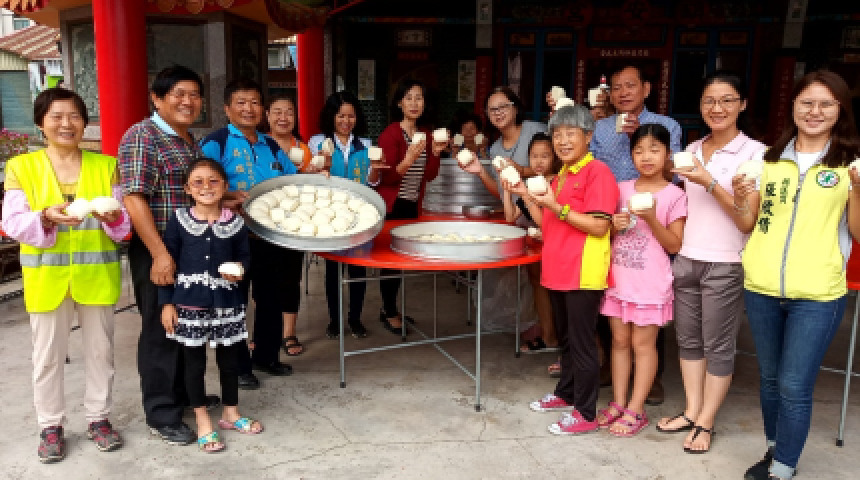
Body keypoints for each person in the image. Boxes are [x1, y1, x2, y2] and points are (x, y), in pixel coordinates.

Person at [735, 70, 860, 480]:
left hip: (818, 293)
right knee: (770, 380)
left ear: (840, 110)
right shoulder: (769, 161)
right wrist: (740, 198)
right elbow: (748, 222)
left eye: (826, 104)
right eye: (807, 102)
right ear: (793, 106)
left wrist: (858, 189)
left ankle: (784, 467)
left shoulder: (850, 165)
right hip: (762, 286)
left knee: (793, 383)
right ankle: (776, 449)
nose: (814, 111)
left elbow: (858, 233)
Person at [2, 88, 129, 462]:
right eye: (56, 116)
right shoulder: (21, 167)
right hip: (47, 279)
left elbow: (123, 226)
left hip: (96, 276)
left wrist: (114, 219)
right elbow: (12, 223)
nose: (66, 124)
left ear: (85, 122)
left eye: (74, 116)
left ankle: (99, 418)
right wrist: (44, 217)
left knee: (101, 353)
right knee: (47, 357)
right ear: (40, 123)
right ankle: (51, 426)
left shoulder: (106, 165)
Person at [655, 71, 766, 455]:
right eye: (709, 101)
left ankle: (707, 420)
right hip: (687, 257)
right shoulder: (692, 147)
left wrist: (709, 182)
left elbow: (746, 221)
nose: (717, 108)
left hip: (725, 262)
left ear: (742, 104)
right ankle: (691, 410)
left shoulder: (756, 154)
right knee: (688, 340)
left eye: (726, 100)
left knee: (718, 345)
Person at [119, 65, 218, 446]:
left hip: (189, 250)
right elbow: (134, 197)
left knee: (186, 325)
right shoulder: (143, 136)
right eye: (178, 94)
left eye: (194, 94)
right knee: (161, 330)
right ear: (157, 99)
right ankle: (161, 413)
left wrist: (229, 199)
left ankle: (183, 395)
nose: (188, 101)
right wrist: (160, 254)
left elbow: (190, 192)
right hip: (157, 249)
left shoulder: (190, 142)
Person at [589, 64, 683, 405]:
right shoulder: (601, 127)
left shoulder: (667, 126)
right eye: (616, 87)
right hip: (611, 219)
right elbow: (592, 167)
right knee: (612, 310)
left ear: (646, 89)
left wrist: (638, 139)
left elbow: (674, 171)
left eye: (630, 85)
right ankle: (612, 370)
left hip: (653, 229)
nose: (623, 92)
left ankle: (651, 380)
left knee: (646, 319)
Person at [524, 104, 619, 435]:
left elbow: (599, 226)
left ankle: (586, 412)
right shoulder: (562, 174)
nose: (562, 141)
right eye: (557, 135)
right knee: (565, 340)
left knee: (582, 344)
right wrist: (525, 195)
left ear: (588, 136)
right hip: (557, 268)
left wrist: (557, 206)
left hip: (583, 270)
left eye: (570, 133)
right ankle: (566, 394)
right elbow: (548, 224)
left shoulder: (598, 173)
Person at [200, 78, 304, 376]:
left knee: (270, 298)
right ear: (227, 109)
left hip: (269, 236)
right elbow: (201, 186)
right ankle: (238, 367)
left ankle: (266, 357)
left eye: (255, 103)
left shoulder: (270, 145)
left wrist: (314, 179)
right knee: (234, 302)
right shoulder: (215, 142)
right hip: (230, 236)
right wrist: (227, 196)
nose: (249, 109)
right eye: (241, 103)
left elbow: (292, 180)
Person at [159, 158, 262, 453]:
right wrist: (167, 303)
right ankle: (203, 419)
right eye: (198, 182)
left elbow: (245, 258)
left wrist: (239, 270)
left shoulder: (236, 223)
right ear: (187, 189)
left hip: (227, 304)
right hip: (189, 305)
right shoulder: (179, 220)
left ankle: (231, 413)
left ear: (225, 186)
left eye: (214, 180)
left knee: (230, 362)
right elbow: (167, 264)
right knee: (194, 364)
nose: (206, 187)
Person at [594, 124, 686, 437]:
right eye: (639, 150)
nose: (646, 157)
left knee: (642, 346)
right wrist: (614, 226)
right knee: (619, 342)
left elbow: (674, 245)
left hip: (650, 284)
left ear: (668, 154)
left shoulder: (674, 195)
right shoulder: (621, 189)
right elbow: (605, 232)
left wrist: (650, 218)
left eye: (654, 150)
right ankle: (619, 402)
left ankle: (636, 408)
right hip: (619, 280)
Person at [309, 91, 386, 339]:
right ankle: (335, 320)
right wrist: (321, 165)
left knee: (357, 269)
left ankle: (355, 318)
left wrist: (375, 170)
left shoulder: (366, 145)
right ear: (331, 116)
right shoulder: (317, 142)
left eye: (351, 116)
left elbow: (372, 183)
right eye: (340, 115)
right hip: (329, 215)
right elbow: (312, 177)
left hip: (358, 215)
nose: (346, 121)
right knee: (333, 270)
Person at [375, 79, 444, 333]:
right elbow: (386, 178)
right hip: (393, 206)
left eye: (419, 98)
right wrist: (408, 159)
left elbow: (430, 175)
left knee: (401, 261)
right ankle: (388, 311)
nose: (414, 103)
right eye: (409, 98)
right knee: (390, 261)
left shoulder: (426, 134)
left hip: (412, 205)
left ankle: (390, 308)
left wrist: (435, 153)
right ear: (399, 103)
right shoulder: (391, 134)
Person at [501, 132, 560, 354]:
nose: (539, 161)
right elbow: (510, 216)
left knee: (556, 292)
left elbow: (552, 221)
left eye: (545, 156)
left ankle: (557, 336)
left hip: (556, 246)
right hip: (537, 246)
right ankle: (548, 335)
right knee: (538, 286)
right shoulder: (527, 184)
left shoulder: (558, 182)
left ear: (554, 157)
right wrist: (507, 190)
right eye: (534, 156)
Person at [461, 86, 547, 197]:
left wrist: (522, 171)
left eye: (503, 106)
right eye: (492, 109)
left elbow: (558, 168)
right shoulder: (495, 149)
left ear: (516, 109)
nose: (497, 112)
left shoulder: (537, 131)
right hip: (514, 209)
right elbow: (501, 192)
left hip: (544, 207)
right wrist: (480, 171)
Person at [265, 94, 312, 172]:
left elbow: (307, 179)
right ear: (268, 115)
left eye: (289, 113)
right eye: (278, 113)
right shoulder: (258, 145)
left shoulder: (304, 150)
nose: (283, 118)